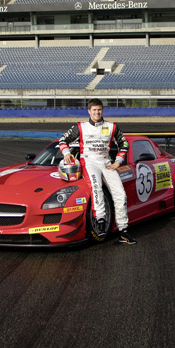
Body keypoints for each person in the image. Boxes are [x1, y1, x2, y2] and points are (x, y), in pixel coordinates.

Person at [59, 98, 136, 245]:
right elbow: (63, 140)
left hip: (106, 162)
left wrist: (118, 161)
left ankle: (123, 231)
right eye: (94, 110)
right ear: (89, 111)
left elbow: (124, 144)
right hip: (89, 162)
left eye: (99, 109)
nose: (97, 112)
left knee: (121, 194)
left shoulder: (111, 126)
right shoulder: (80, 126)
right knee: (97, 188)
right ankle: (100, 222)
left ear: (102, 110)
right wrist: (66, 153)